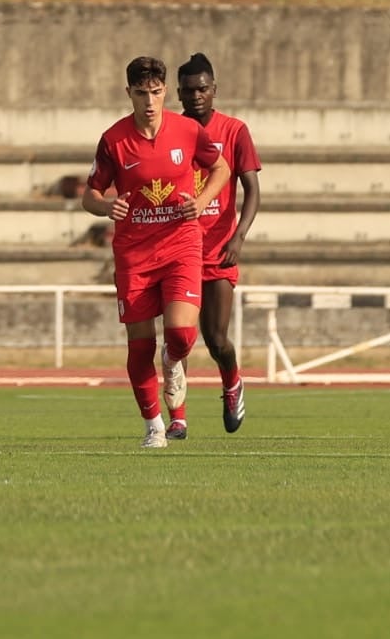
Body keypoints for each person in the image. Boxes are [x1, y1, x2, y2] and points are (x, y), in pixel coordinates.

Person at [82, 56, 230, 449]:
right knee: (140, 345)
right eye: (141, 93)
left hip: (181, 243)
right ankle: (154, 427)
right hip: (134, 253)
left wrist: (200, 202)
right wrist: (104, 206)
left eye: (156, 92)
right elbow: (90, 194)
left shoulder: (186, 130)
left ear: (165, 90)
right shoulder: (114, 139)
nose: (150, 101)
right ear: (128, 93)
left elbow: (221, 170)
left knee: (180, 334)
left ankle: (173, 362)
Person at [172, 52, 261, 438]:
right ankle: (178, 418)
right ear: (178, 93)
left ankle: (232, 382)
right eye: (189, 91)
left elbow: (253, 190)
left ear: (214, 90)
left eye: (202, 89)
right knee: (179, 338)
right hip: (177, 248)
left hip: (219, 248)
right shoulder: (170, 130)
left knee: (216, 339)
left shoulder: (234, 131)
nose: (196, 97)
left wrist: (239, 236)